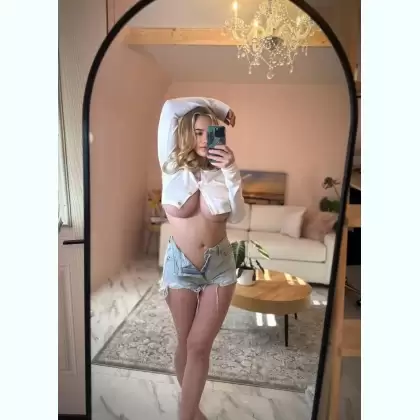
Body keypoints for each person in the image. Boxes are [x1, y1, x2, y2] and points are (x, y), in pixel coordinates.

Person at [157, 97, 246, 420]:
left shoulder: (223, 173)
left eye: (211, 133)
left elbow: (238, 216)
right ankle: (193, 413)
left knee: (199, 346)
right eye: (197, 132)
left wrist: (231, 171)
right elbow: (170, 106)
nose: (204, 140)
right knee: (185, 342)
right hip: (179, 266)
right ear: (185, 134)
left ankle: (185, 416)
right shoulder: (170, 164)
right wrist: (219, 107)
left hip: (219, 267)